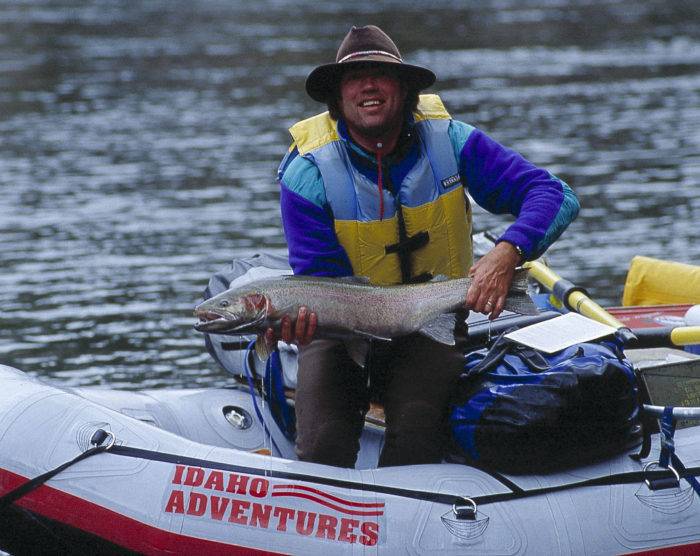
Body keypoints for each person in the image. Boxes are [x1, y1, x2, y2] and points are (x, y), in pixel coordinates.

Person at [272, 25, 579, 468]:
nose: (369, 86)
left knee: (418, 433)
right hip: (339, 332)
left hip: (431, 320)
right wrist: (296, 326)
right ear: (337, 98)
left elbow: (555, 195)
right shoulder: (306, 173)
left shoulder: (451, 141)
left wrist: (508, 251)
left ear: (405, 89)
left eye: (381, 74)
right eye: (354, 78)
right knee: (322, 447)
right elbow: (322, 280)